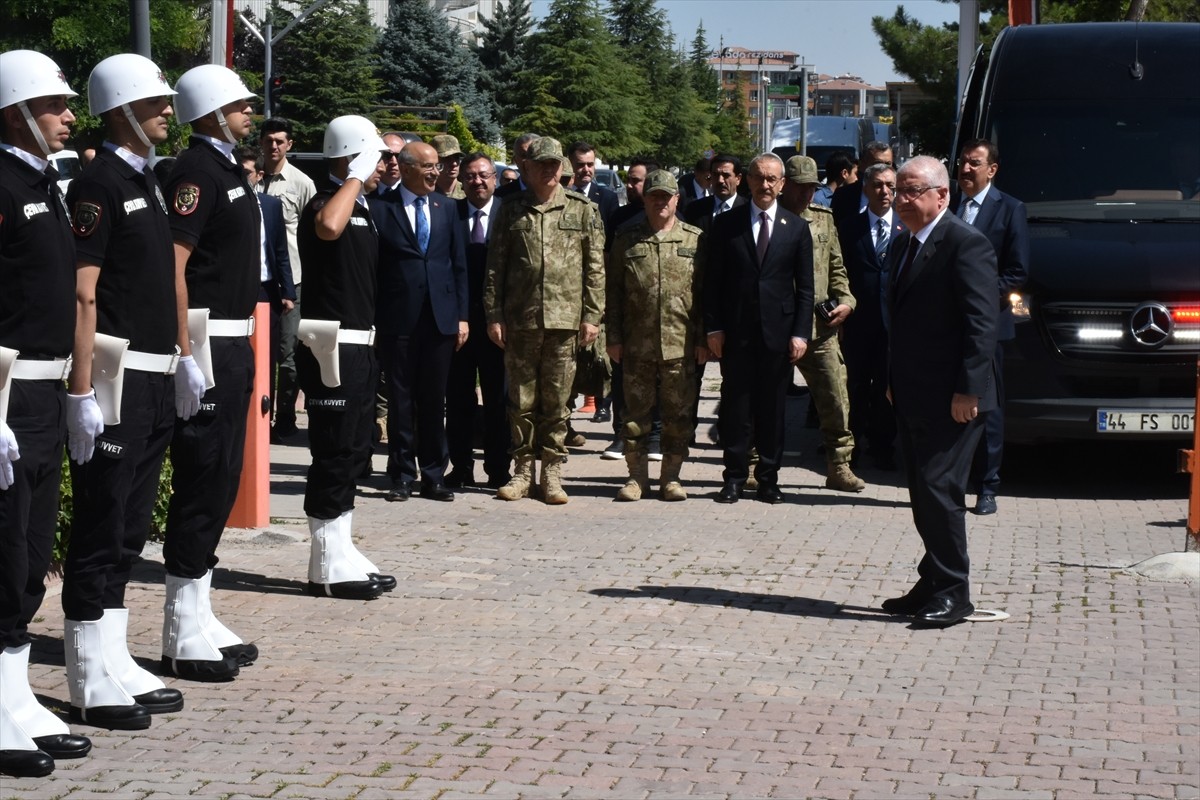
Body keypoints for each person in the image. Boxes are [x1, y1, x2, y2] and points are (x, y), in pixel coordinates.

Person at [61, 53, 187, 733]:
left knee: (132, 523)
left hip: (154, 375)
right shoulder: (98, 184)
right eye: (154, 102)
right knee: (101, 522)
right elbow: (84, 293)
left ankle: (111, 655)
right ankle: (86, 674)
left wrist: (183, 358)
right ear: (121, 110)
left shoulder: (150, 179)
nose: (168, 110)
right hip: (116, 377)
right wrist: (81, 390)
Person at [0, 48, 92, 779]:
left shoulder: (43, 181)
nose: (68, 116)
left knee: (31, 553)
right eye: (54, 105)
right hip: (7, 392)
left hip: (43, 391)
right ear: (16, 112)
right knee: (3, 552)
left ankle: (13, 695)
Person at [160, 64, 262, 682]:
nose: (250, 112)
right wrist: (182, 353)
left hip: (233, 341)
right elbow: (175, 265)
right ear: (212, 112)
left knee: (221, 476)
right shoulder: (196, 173)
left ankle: (197, 609)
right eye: (240, 105)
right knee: (201, 476)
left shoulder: (226, 170)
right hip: (206, 343)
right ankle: (179, 627)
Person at [881, 155, 998, 628]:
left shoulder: (966, 243)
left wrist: (969, 390)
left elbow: (981, 324)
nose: (901, 200)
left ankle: (953, 592)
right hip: (913, 391)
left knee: (939, 489)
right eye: (898, 191)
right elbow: (901, 323)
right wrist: (894, 380)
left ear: (942, 195)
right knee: (922, 491)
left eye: (912, 191)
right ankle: (932, 580)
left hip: (955, 398)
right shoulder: (903, 244)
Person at [297, 115, 393, 600]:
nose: (383, 167)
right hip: (331, 346)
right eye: (375, 158)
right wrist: (355, 174)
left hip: (360, 343)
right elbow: (329, 225)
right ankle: (324, 563)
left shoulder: (363, 206)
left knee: (354, 450)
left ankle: (341, 547)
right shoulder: (325, 202)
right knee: (333, 452)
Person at [483, 137, 604, 504]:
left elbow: (595, 268)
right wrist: (493, 314)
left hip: (565, 322)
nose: (549, 170)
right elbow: (495, 267)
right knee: (520, 400)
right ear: (527, 168)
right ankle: (522, 471)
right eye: (542, 164)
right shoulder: (510, 209)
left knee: (557, 401)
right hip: (521, 321)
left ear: (562, 167)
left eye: (555, 164)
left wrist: (592, 315)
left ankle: (552, 472)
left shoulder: (583, 210)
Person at [704, 153, 814, 504]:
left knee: (773, 411)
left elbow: (805, 288)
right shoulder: (727, 224)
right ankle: (734, 478)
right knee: (736, 409)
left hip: (778, 336)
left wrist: (800, 334)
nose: (764, 185)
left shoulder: (796, 227)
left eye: (771, 179)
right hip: (736, 333)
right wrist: (714, 328)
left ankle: (768, 479)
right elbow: (712, 282)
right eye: (758, 177)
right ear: (747, 180)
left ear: (782, 184)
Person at [370, 140, 468, 503]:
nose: (435, 172)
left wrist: (462, 317)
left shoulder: (447, 208)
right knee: (400, 401)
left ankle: (433, 476)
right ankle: (400, 475)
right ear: (407, 168)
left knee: (433, 400)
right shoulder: (382, 208)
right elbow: (374, 268)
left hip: (440, 320)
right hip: (398, 319)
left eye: (437, 166)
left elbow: (458, 265)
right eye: (428, 166)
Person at [606, 171, 707, 501]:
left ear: (677, 199)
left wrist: (702, 339)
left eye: (666, 196)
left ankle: (671, 478)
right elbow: (613, 292)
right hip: (637, 345)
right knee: (635, 417)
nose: (660, 202)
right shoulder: (626, 238)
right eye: (654, 196)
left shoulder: (695, 239)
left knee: (678, 418)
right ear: (645, 199)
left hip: (681, 344)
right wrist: (613, 337)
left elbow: (705, 294)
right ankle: (637, 478)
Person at [779, 156, 865, 493]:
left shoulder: (823, 218)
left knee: (835, 397)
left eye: (811, 188)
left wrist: (846, 301)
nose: (806, 195)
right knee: (765, 399)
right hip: (778, 325)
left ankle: (839, 465)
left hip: (819, 327)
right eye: (800, 187)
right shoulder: (770, 217)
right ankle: (755, 463)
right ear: (785, 185)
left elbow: (837, 268)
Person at [955, 138, 1029, 516]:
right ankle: (952, 481)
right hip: (948, 324)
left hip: (987, 325)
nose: (965, 169)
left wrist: (978, 298)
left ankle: (987, 486)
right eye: (962, 162)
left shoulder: (1010, 209)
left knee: (987, 408)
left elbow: (1017, 271)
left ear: (992, 169)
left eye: (974, 163)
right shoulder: (949, 205)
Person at [444, 153, 510, 490]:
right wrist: (457, 316)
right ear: (462, 180)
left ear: (495, 178)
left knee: (499, 399)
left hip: (499, 325)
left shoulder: (508, 215)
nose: (477, 181)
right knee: (458, 399)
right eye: (470, 176)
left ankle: (499, 469)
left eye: (484, 175)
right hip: (459, 322)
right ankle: (460, 467)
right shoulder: (450, 214)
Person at [838, 162, 904, 471]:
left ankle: (883, 446)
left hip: (894, 324)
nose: (884, 191)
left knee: (887, 386)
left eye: (890, 185)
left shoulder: (907, 226)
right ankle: (851, 446)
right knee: (855, 385)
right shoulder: (849, 227)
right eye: (878, 185)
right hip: (858, 322)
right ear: (865, 188)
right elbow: (840, 271)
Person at [257, 117, 316, 441]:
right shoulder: (250, 179)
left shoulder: (302, 183)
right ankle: (259, 416)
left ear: (289, 145)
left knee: (288, 353)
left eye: (280, 141)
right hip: (259, 280)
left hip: (292, 281)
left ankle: (286, 417)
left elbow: (311, 233)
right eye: (269, 140)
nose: (274, 146)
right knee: (258, 352)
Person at [240, 148, 295, 420]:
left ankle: (265, 418)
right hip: (238, 289)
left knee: (267, 355)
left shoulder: (271, 206)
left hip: (267, 289)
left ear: (259, 175)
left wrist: (288, 291)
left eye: (246, 172)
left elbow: (281, 251)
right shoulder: (229, 203)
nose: (241, 176)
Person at [830, 141, 894, 226]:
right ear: (861, 164)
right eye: (877, 164)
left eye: (888, 164)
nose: (883, 169)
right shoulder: (843, 195)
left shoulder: (901, 197)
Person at [683, 154, 746, 232]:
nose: (720, 180)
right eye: (715, 175)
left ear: (738, 179)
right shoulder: (694, 209)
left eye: (726, 175)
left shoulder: (748, 210)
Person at [494, 133, 540, 200]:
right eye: (524, 155)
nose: (529, 161)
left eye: (533, 154)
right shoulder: (499, 197)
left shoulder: (554, 192)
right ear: (516, 160)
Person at [431, 134, 466, 200]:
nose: (454, 164)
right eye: (447, 158)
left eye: (456, 158)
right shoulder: (426, 194)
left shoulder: (468, 193)